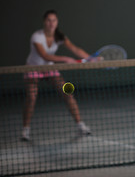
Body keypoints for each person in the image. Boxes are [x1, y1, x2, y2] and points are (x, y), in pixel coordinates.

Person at [22, 9, 91, 141]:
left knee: (68, 92)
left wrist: (91, 58)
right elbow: (45, 55)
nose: (51, 23)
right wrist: (66, 59)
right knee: (31, 97)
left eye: (54, 20)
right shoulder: (37, 36)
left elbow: (75, 49)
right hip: (33, 69)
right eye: (49, 20)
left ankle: (81, 126)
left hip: (50, 69)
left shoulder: (59, 37)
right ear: (44, 22)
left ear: (57, 22)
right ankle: (25, 131)